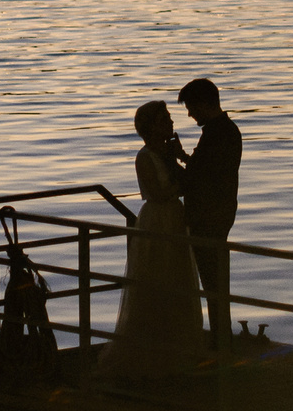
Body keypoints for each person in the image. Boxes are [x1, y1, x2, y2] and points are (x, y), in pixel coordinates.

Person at [94, 101, 205, 381]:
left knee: (178, 276)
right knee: (156, 276)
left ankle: (178, 347)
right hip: (157, 218)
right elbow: (157, 192)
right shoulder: (145, 157)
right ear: (151, 126)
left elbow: (188, 180)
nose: (171, 122)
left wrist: (180, 157)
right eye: (164, 119)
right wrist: (182, 180)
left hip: (175, 217)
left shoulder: (167, 153)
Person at [175, 77, 241, 352]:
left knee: (213, 282)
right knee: (214, 281)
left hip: (209, 218)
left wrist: (170, 161)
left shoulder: (217, 134)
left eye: (191, 107)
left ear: (204, 104)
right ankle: (220, 336)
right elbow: (206, 171)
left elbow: (197, 180)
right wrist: (183, 157)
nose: (190, 114)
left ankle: (220, 340)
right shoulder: (225, 131)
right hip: (219, 214)